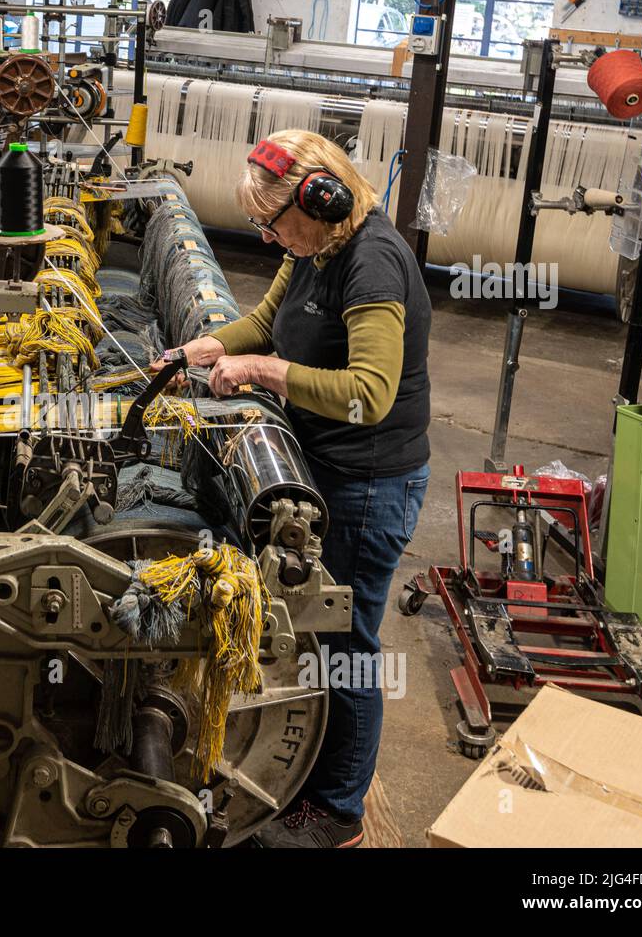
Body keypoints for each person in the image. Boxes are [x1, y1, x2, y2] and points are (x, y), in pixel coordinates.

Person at [151, 129, 432, 848]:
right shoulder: (316, 249)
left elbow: (370, 392)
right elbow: (264, 322)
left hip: (372, 481)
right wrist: (208, 348)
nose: (270, 239)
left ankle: (338, 811)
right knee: (316, 636)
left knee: (347, 644)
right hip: (328, 464)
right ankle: (312, 777)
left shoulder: (370, 264)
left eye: (273, 223)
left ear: (320, 198)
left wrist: (264, 373)